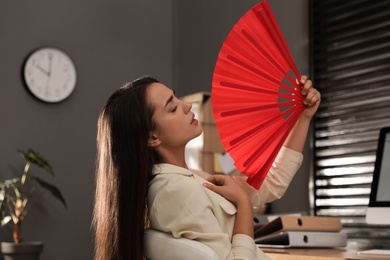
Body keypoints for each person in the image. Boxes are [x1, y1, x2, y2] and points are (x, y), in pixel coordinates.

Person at [93, 75, 321, 260]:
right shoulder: (176, 192)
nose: (187, 105)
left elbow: (270, 186)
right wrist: (243, 205)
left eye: (176, 98)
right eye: (172, 108)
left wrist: (303, 117)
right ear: (152, 137)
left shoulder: (190, 178)